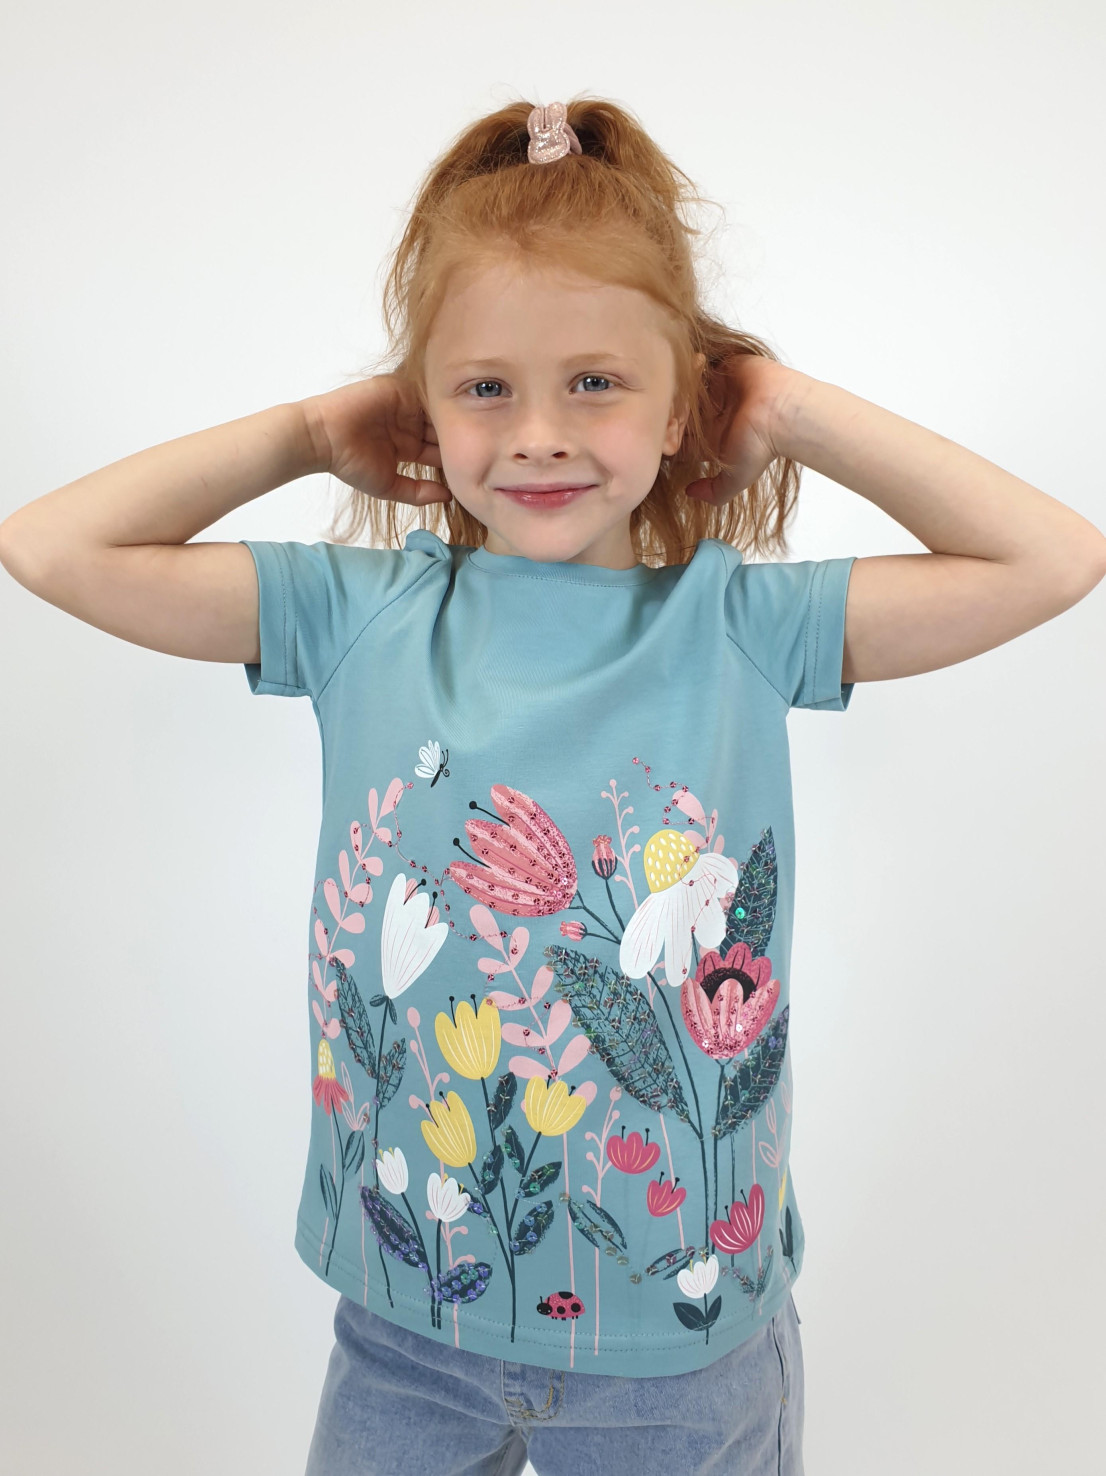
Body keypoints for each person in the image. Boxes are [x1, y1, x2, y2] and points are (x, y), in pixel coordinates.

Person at [1, 94, 1103, 1476]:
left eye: (595, 382)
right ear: (420, 404)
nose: (536, 434)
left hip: (680, 1346)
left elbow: (1053, 558)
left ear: (681, 400)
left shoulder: (740, 626)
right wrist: (311, 431)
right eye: (484, 389)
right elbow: (50, 548)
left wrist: (781, 406)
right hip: (406, 1319)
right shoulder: (358, 614)